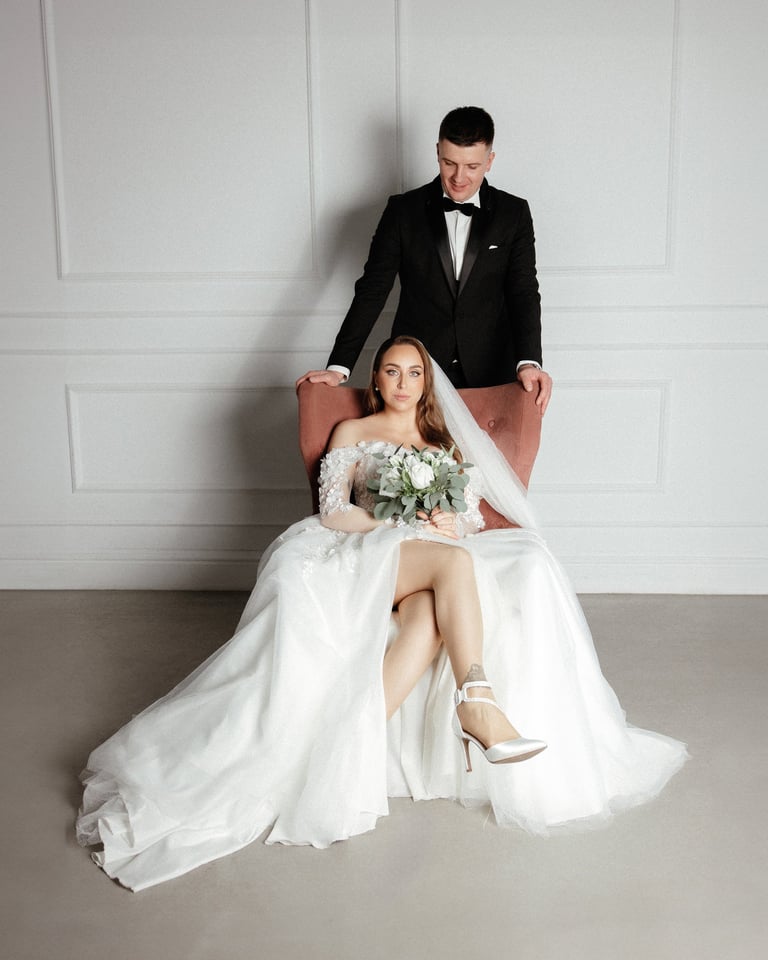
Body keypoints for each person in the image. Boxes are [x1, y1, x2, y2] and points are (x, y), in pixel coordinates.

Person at [76, 337, 686, 891]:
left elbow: (469, 517)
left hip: (422, 560)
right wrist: (393, 522)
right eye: (392, 371)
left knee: (427, 618)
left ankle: (346, 748)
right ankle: (477, 702)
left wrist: (447, 519)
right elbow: (333, 511)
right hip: (360, 552)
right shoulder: (354, 431)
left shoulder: (442, 444)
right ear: (376, 379)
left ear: (426, 382)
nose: (402, 382)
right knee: (454, 568)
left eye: (414, 373)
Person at [297, 106, 553, 413]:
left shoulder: (514, 213)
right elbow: (372, 290)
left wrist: (529, 361)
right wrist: (338, 367)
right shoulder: (402, 211)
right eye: (449, 163)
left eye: (472, 166)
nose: (459, 177)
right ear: (437, 153)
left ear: (490, 161)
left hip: (491, 371)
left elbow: (523, 291)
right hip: (415, 371)